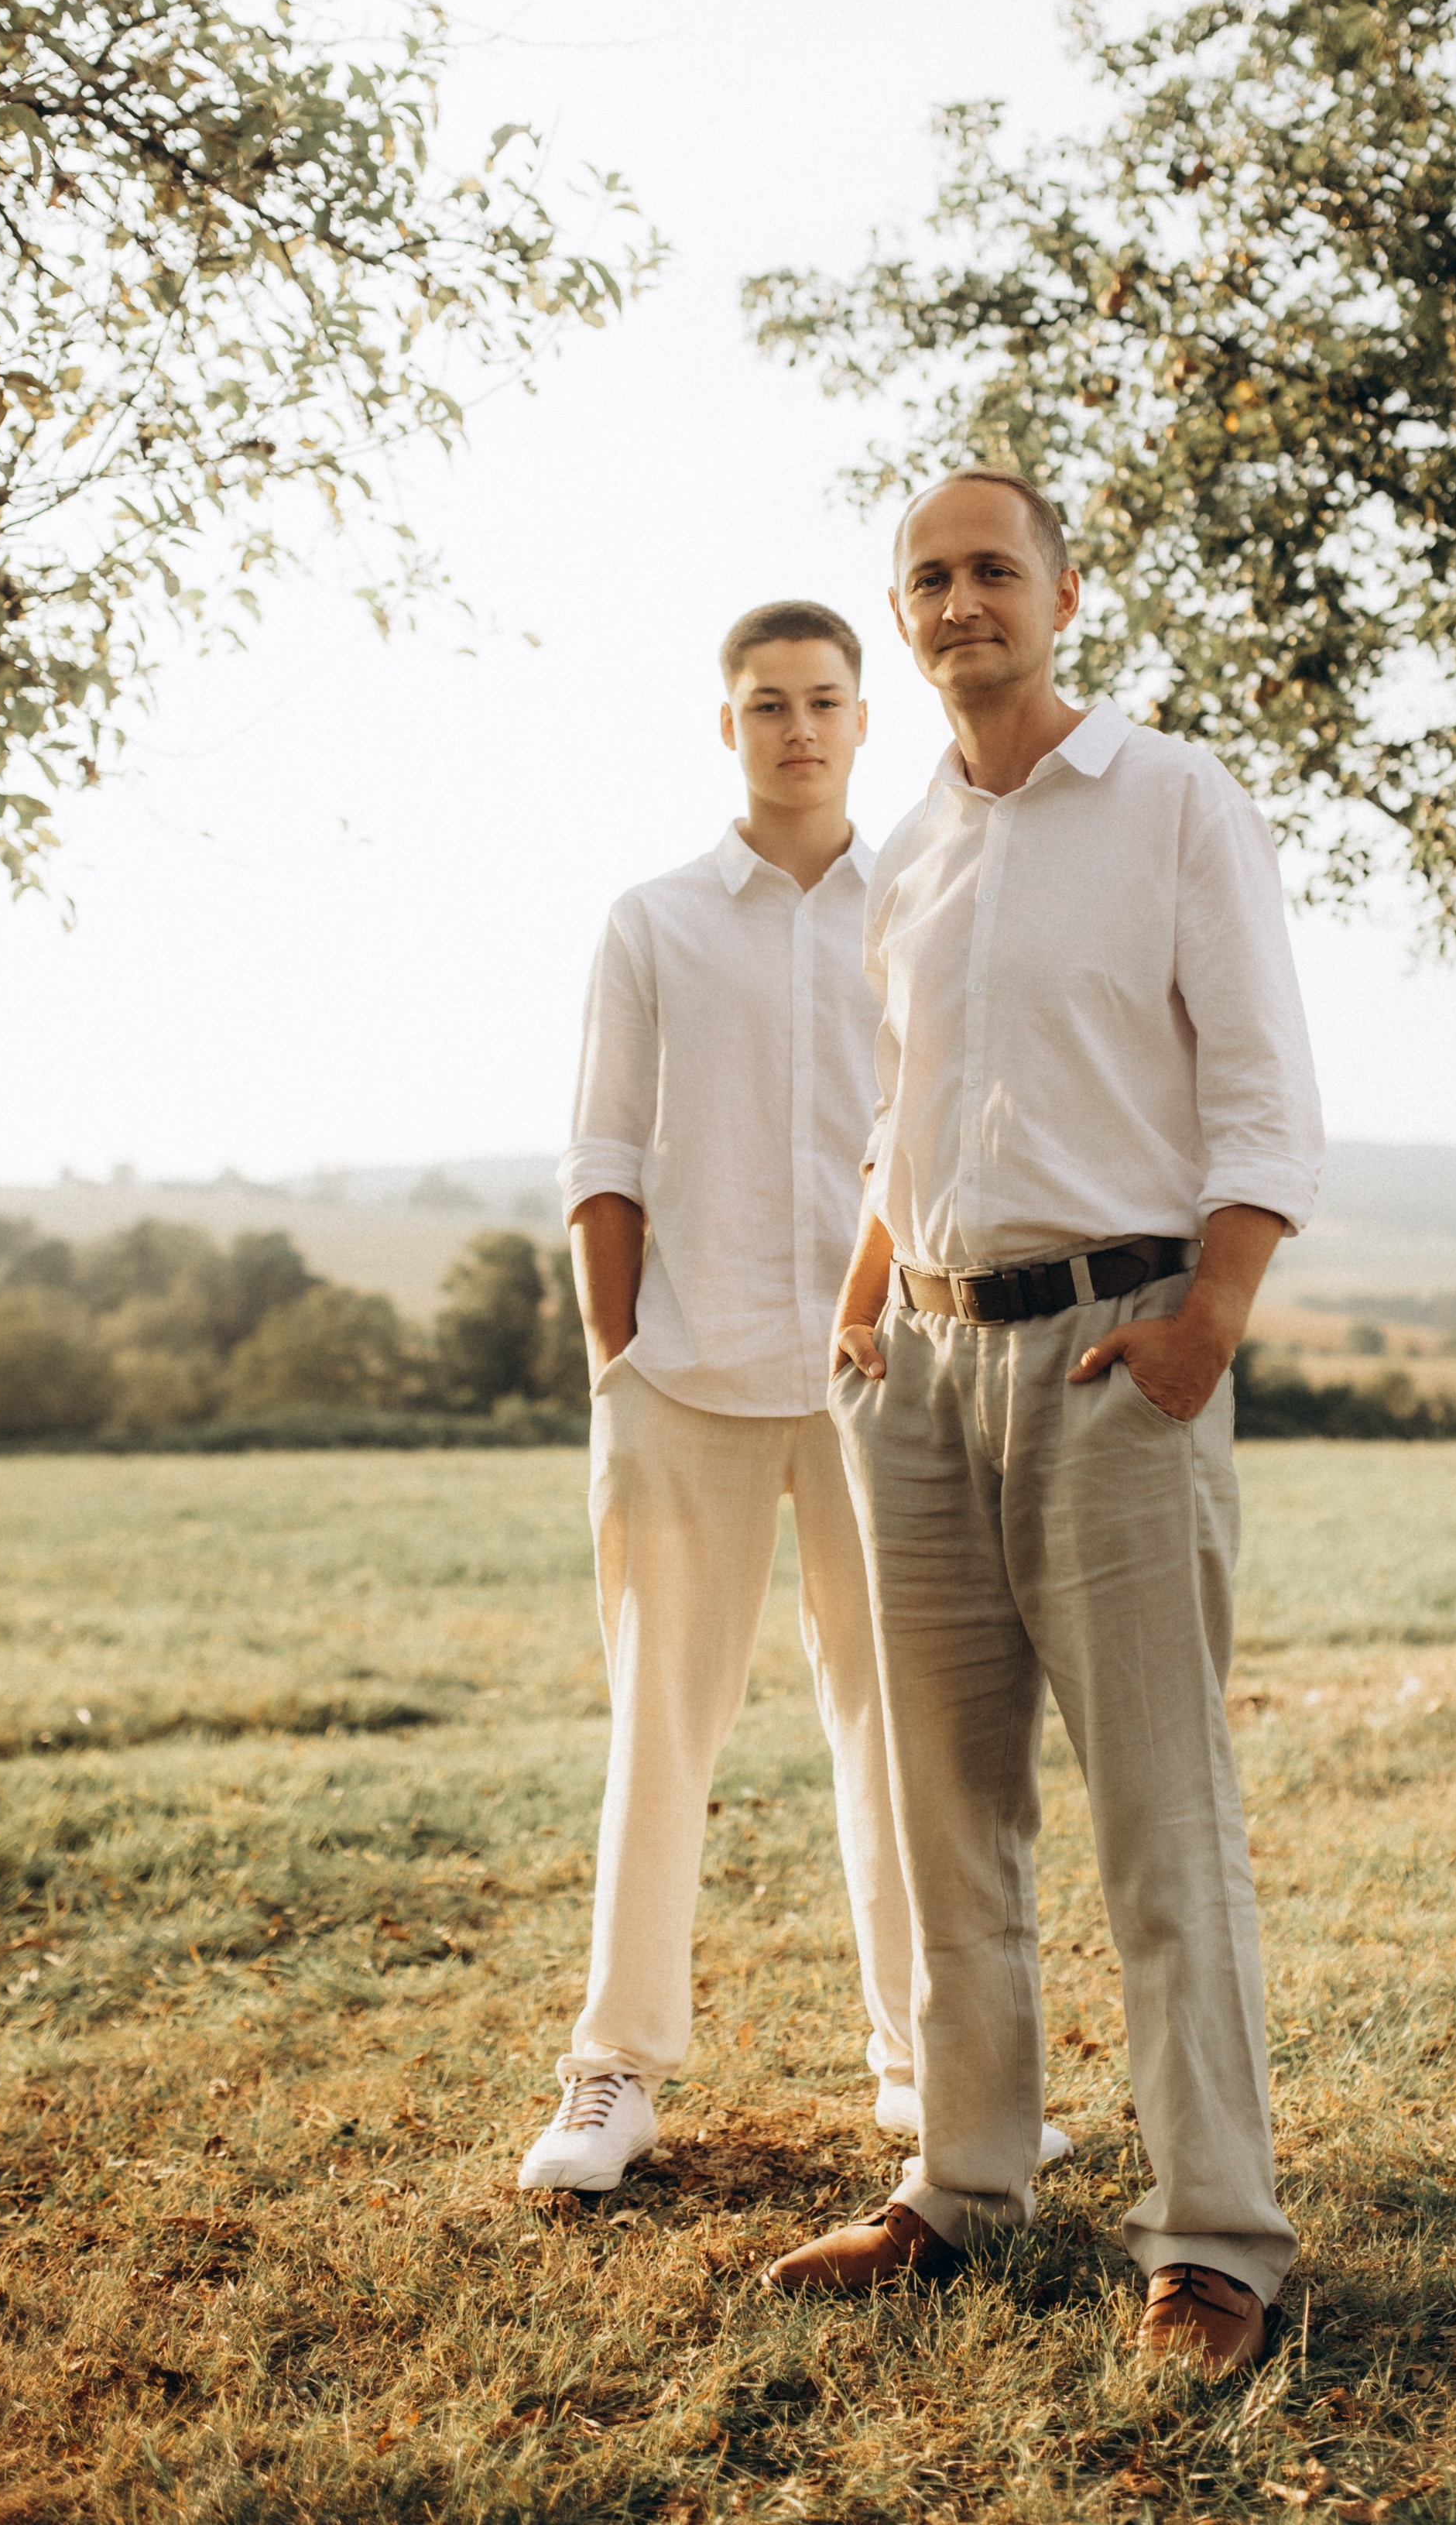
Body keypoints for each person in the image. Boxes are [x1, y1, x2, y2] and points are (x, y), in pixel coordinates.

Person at [762, 472, 1323, 2374]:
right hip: (918, 1376)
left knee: (1162, 1827)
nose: (956, 600)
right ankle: (961, 2183)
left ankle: (1215, 2237)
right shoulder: (906, 848)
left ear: (1063, 595)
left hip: (1115, 1353)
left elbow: (1256, 1085)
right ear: (900, 620)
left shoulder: (1172, 799)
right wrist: (862, 1312)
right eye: (924, 578)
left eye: (990, 568)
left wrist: (1208, 1322)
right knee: (940, 1819)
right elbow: (899, 1119)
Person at [522, 601, 1073, 2195]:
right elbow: (601, 1154)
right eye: (765, 704)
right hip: (680, 1384)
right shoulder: (650, 922)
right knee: (658, 1737)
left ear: (858, 714)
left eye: (823, 700)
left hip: (879, 1378)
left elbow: (951, 1135)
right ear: (727, 726)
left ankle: (926, 2067)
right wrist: (612, 1360)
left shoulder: (920, 897)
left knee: (900, 1738)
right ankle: (610, 2075)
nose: (797, 728)